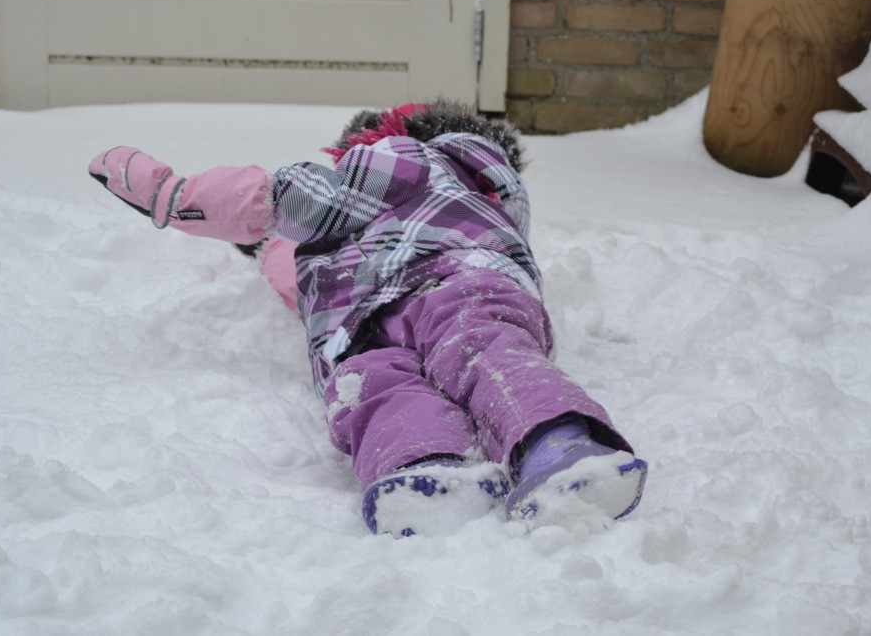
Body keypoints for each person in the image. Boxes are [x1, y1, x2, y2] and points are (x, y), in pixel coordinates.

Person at [88, 100, 647, 537]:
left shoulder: (411, 161)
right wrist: (264, 248)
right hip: (363, 321)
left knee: (479, 350)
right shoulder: (486, 204)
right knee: (376, 384)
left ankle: (563, 445)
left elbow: (299, 197)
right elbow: (295, 270)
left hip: (449, 279)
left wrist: (178, 197)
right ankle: (429, 466)